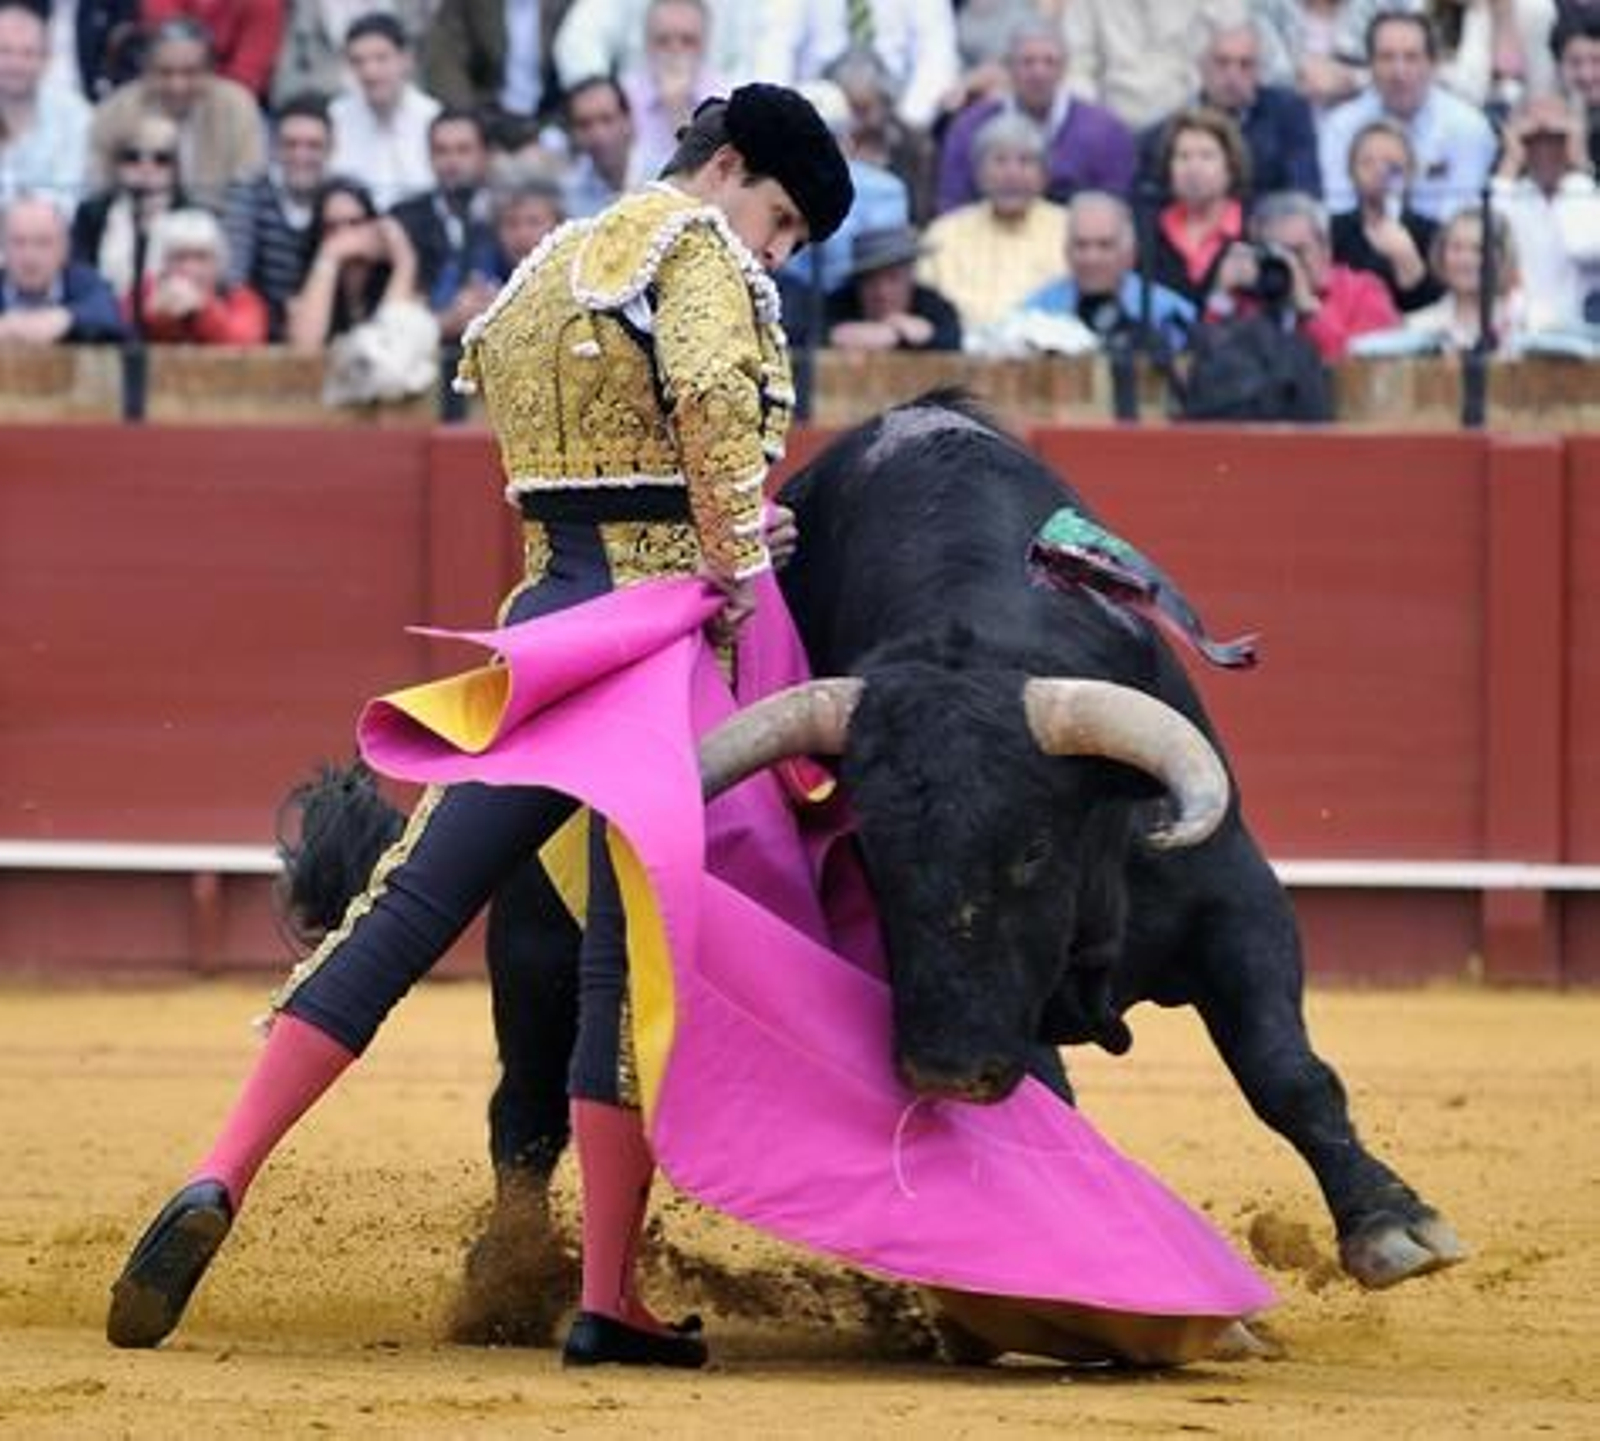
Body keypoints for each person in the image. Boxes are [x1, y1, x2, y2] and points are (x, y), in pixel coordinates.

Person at [104, 82, 853, 1369]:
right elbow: (718, 418)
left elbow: (555, 466)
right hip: (657, 644)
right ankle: (607, 1296)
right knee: (624, 968)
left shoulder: (550, 260)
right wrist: (738, 557)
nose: (773, 252)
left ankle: (219, 1169)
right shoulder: (701, 259)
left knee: (401, 909)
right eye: (778, 220)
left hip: (549, 624)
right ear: (729, 167)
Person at [936, 17, 1136, 215]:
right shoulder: (969, 127)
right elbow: (953, 205)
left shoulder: (1106, 132)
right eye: (1027, 62)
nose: (1039, 72)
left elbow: (1116, 210)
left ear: (1065, 68)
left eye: (1049, 62)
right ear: (1009, 67)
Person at [1318, 10, 1499, 220]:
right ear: (1370, 65)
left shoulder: (1467, 126)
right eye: (1387, 57)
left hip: (1442, 245)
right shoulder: (1341, 126)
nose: (1399, 71)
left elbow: (1461, 214)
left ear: (1433, 64)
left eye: (1411, 58)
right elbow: (1338, 208)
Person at [86, 15, 264, 212]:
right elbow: (97, 186)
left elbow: (249, 189)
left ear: (210, 71)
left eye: (190, 72)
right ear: (147, 70)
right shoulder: (117, 110)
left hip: (219, 229)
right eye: (165, 72)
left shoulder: (237, 107)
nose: (177, 85)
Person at [916, 110, 1069, 335]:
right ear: (979, 173)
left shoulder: (1071, 230)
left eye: (1025, 161)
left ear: (1044, 175)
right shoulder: (943, 234)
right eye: (999, 161)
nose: (1012, 173)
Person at [1138, 19, 1321, 204]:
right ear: (1201, 66)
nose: (1233, 75)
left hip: (1267, 224)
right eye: (1222, 63)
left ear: (1260, 71)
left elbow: (1304, 190)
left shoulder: (1288, 113)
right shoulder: (1169, 129)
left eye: (1245, 64)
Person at [1207, 188, 1400, 360]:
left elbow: (1360, 370)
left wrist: (1309, 308)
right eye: (1275, 252)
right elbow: (1209, 365)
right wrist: (1221, 297)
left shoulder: (1363, 292)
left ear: (1325, 248)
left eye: (1297, 251)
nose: (1288, 263)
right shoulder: (1247, 296)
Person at [1015, 189, 1197, 354]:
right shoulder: (1035, 313)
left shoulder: (1169, 314)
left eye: (1105, 245)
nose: (1091, 258)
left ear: (1129, 254)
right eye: (1081, 245)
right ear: (1067, 251)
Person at [221, 91, 334, 342]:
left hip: (327, 330)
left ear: (331, 148)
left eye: (313, 145)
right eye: (290, 144)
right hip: (260, 334)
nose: (301, 156)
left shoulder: (343, 196)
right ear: (274, 147)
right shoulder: (248, 192)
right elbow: (234, 276)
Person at [1490, 93, 1600, 331]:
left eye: (1557, 139)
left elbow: (1583, 246)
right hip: (1520, 332)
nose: (1545, 150)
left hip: (1585, 335)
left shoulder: (1585, 190)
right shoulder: (1510, 193)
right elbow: (1486, 243)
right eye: (1534, 140)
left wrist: (1577, 166)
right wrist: (1511, 160)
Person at [388, 107, 499, 341]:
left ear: (486, 155)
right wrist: (444, 320)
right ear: (429, 157)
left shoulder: (513, 215)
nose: (452, 161)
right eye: (442, 151)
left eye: (463, 150)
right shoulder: (403, 220)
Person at [1062, 0, 1252, 130]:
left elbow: (1239, 51)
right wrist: (1098, 127)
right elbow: (1077, 68)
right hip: (1117, 119)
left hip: (1198, 120)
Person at [284, 176, 420, 351]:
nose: (344, 235)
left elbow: (390, 345)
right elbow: (305, 347)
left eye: (354, 223)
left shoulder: (393, 275)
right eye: (331, 227)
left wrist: (404, 261)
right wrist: (329, 257)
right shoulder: (309, 277)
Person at [70, 110, 191, 302]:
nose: (146, 168)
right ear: (117, 164)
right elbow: (79, 279)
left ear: (176, 168)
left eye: (161, 159)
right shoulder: (92, 215)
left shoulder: (194, 219)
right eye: (132, 157)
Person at [1329, 117, 1444, 312]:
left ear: (1411, 172)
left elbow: (1438, 306)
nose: (1380, 171)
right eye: (1367, 162)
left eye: (1392, 164)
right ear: (1351, 171)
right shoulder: (1332, 231)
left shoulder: (1434, 233)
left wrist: (1407, 260)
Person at [420, 0, 574, 146]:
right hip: (488, 119)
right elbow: (445, 60)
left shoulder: (567, 5)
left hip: (554, 121)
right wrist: (472, 121)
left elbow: (581, 75)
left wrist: (558, 129)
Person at [327, 10, 439, 208]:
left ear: (406, 60)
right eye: (358, 62)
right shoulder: (335, 118)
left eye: (381, 58)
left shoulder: (433, 118)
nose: (370, 72)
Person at [1148, 106, 1250, 309]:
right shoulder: (1148, 232)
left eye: (1207, 156)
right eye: (1183, 156)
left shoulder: (1252, 229)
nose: (1193, 168)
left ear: (1230, 167)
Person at [0, 1, 92, 213]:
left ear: (46, 59)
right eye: (5, 52)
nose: (16, 64)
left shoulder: (75, 116)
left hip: (49, 238)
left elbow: (72, 198)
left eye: (28, 53)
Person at [1249, 0, 1423, 112]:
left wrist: (1354, 80)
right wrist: (1302, 74)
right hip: (1288, 133)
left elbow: (1420, 66)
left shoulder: (1390, 4)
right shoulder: (1267, 6)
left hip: (1375, 128)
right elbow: (1265, 74)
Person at [129, 205, 270, 343]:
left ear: (218, 262)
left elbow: (244, 341)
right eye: (180, 257)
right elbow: (123, 330)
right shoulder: (143, 295)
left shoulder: (240, 299)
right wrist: (160, 317)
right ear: (163, 263)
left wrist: (201, 308)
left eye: (201, 257)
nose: (190, 268)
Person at [0, 190, 125, 341]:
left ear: (64, 248)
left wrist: (65, 318)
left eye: (43, 243)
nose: (30, 256)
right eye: (19, 242)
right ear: (3, 247)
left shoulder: (86, 282)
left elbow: (115, 321)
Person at [1404, 203, 1528, 349]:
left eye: (1479, 249)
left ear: (1502, 257)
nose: (1466, 260)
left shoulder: (1525, 321)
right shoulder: (1419, 327)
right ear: (1442, 254)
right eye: (1456, 248)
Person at [823, 222, 962, 352]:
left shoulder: (933, 305)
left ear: (910, 276)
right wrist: (836, 335)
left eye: (893, 278)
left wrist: (923, 335)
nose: (882, 292)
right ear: (857, 283)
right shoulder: (836, 304)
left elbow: (952, 339)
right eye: (871, 280)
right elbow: (811, 335)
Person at [621, 0, 722, 178]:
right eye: (663, 41)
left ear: (705, 44)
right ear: (646, 43)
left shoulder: (726, 98)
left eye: (688, 41)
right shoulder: (622, 96)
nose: (675, 49)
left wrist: (677, 109)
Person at [140, 0, 288, 104]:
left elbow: (246, 78)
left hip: (224, 101)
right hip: (160, 92)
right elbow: (167, 52)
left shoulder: (266, 3)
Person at [558, 73, 643, 218]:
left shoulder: (668, 177)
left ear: (628, 121)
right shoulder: (568, 194)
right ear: (573, 133)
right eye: (584, 124)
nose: (598, 134)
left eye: (607, 119)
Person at [1553, 6, 1600, 173]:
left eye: (1596, 61)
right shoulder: (1547, 128)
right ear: (1557, 67)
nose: (1586, 75)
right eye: (1575, 63)